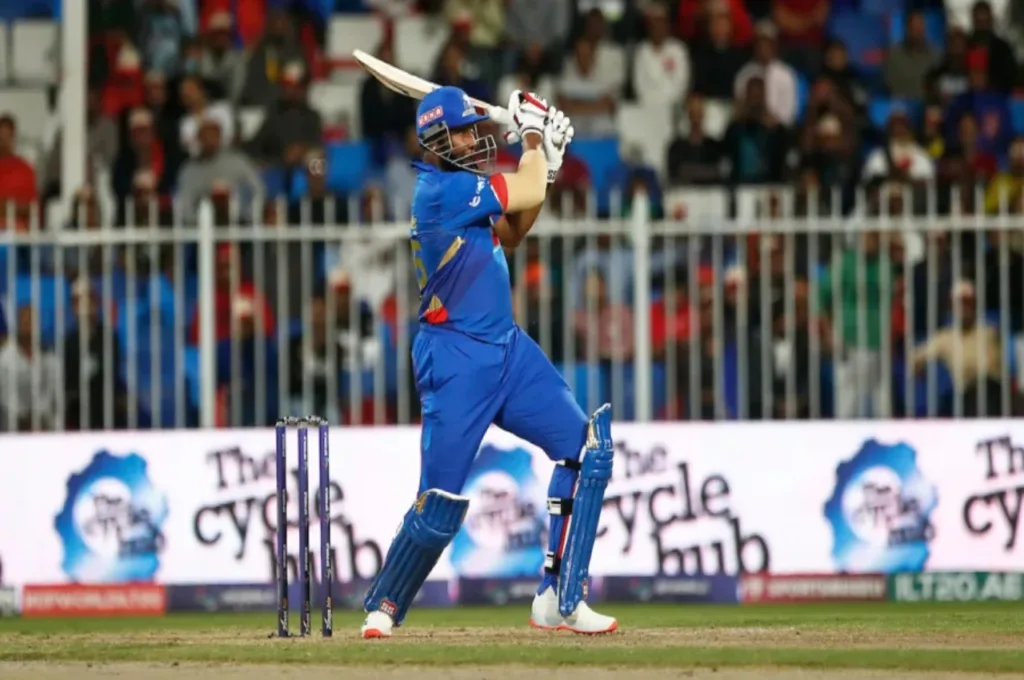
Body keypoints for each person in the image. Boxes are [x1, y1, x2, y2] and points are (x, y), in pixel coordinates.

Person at [360, 87, 617, 638]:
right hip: (456, 359)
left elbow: (516, 230)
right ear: (435, 142)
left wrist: (545, 164)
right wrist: (534, 139)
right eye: (463, 133)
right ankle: (384, 606)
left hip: (508, 348)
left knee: (586, 450)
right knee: (439, 503)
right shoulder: (440, 192)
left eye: (475, 130)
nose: (475, 140)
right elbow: (525, 187)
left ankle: (560, 598)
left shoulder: (468, 191)